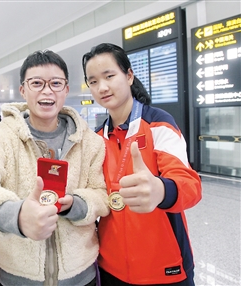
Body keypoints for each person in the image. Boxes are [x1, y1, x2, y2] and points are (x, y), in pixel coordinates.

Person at [0, 50, 109, 286]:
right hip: (17, 277)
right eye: (37, 83)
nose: (47, 91)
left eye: (56, 83)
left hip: (81, 276)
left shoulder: (90, 142)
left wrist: (76, 204)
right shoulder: (0, 137)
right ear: (23, 90)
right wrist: (17, 217)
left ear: (66, 89)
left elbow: (101, 193)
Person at [81, 43, 202, 285]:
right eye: (93, 81)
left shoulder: (158, 124)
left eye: (109, 76)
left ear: (128, 75)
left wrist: (162, 190)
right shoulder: (96, 139)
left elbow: (189, 185)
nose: (102, 87)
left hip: (164, 267)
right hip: (110, 269)